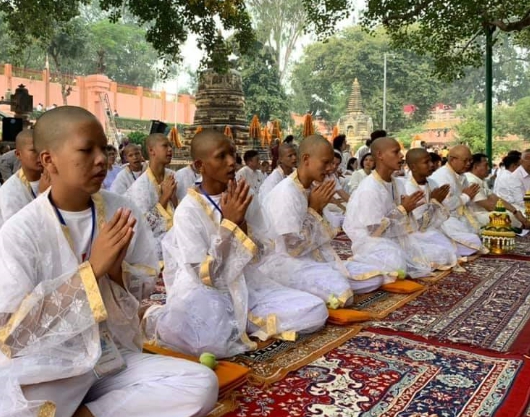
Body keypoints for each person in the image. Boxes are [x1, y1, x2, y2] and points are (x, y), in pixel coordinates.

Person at [0, 106, 218, 417]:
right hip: (44, 365)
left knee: (200, 384)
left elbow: (141, 291)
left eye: (103, 149)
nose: (101, 159)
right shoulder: (21, 230)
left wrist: (115, 272)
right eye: (87, 150)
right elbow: (9, 330)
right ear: (48, 160)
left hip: (108, 354)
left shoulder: (121, 210)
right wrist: (92, 269)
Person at [143, 130, 327, 358]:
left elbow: (263, 253)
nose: (232, 162)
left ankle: (243, 319)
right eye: (222, 156)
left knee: (315, 310)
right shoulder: (187, 211)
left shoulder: (243, 194)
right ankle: (155, 316)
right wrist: (229, 226)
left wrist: (244, 228)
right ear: (201, 165)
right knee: (211, 344)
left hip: (248, 281)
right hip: (206, 291)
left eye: (233, 154)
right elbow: (206, 277)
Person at [262, 135, 393, 304]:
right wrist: (314, 210)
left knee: (377, 276)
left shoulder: (312, 187)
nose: (331, 168)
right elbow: (293, 248)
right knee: (340, 292)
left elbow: (327, 232)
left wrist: (317, 211)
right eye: (326, 162)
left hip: (312, 257)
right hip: (286, 262)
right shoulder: (285, 193)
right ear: (306, 159)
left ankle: (318, 287)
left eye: (332, 163)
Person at [344, 137, 440, 279]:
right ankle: (356, 267)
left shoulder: (398, 183)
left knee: (439, 250)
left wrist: (409, 211)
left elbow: (409, 225)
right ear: (380, 155)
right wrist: (403, 210)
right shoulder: (369, 188)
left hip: (395, 237)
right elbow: (374, 230)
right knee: (395, 261)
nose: (401, 156)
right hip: (371, 243)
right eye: (396, 152)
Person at [0, 130, 46, 259]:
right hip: (14, 249)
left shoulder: (51, 179)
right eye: (34, 150)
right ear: (18, 154)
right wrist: (43, 196)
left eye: (43, 150)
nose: (40, 156)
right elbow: (17, 233)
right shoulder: (10, 190)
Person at [403, 149, 459, 269]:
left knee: (468, 241)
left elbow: (444, 213)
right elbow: (419, 225)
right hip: (415, 234)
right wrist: (434, 202)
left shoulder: (432, 183)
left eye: (431, 161)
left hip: (434, 229)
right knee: (442, 253)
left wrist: (439, 203)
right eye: (426, 162)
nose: (432, 165)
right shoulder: (408, 188)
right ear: (413, 167)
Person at [126, 133, 177, 259]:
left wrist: (173, 197)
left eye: (170, 146)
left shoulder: (173, 176)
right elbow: (143, 225)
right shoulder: (140, 186)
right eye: (165, 146)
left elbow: (181, 211)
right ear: (151, 151)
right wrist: (165, 197)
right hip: (154, 253)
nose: (170, 150)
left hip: (177, 242)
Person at [429, 145, 485, 256]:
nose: (469, 164)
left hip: (460, 217)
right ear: (452, 159)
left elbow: (466, 202)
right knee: (472, 240)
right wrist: (465, 196)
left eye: (470, 160)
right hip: (446, 219)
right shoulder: (441, 176)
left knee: (477, 235)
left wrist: (467, 197)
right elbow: (446, 205)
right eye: (465, 160)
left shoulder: (462, 175)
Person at [466, 153, 528, 228]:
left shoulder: (480, 180)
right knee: (509, 216)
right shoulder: (471, 181)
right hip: (476, 217)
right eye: (486, 165)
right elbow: (489, 206)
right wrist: (515, 213)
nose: (489, 168)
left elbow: (496, 198)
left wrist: (515, 210)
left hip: (487, 214)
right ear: (476, 167)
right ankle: (524, 225)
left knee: (519, 211)